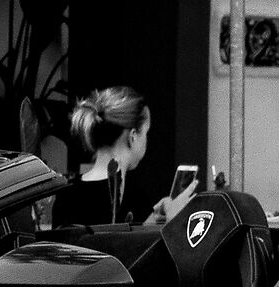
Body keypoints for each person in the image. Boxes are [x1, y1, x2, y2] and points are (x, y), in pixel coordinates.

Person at [57, 86, 198, 228]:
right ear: (133, 137)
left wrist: (148, 224)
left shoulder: (66, 196)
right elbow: (122, 248)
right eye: (145, 133)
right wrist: (173, 223)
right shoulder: (132, 198)